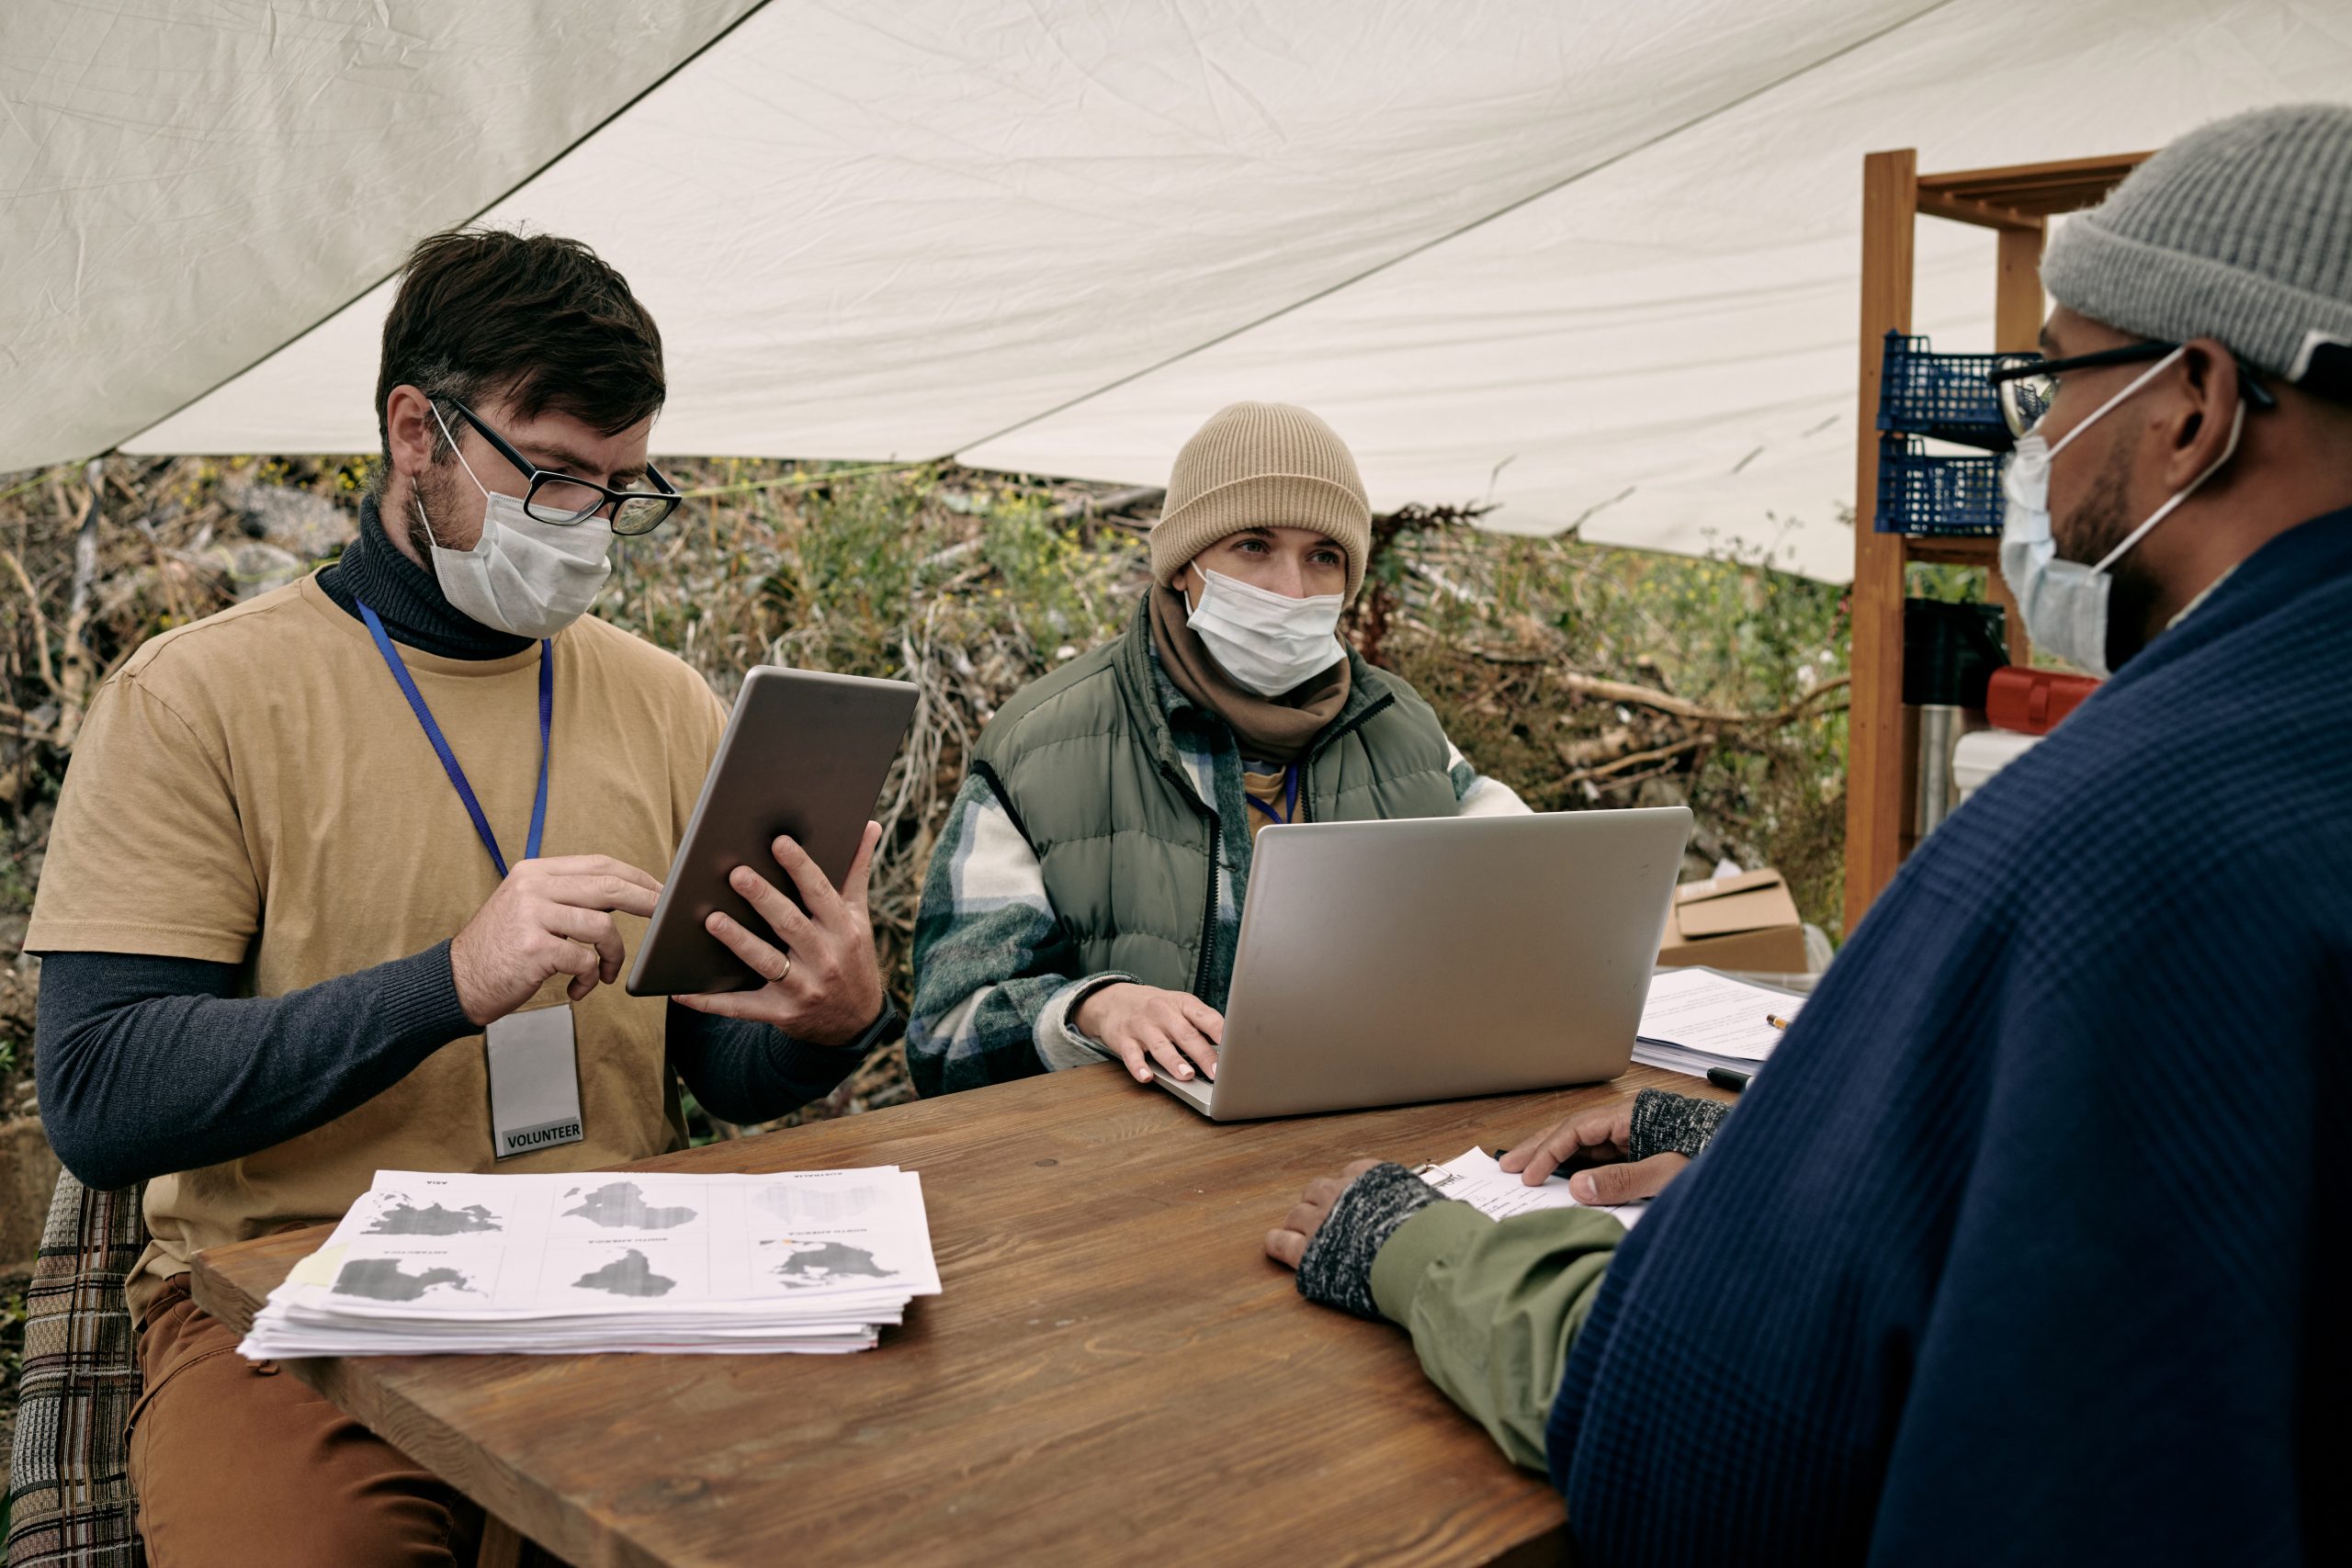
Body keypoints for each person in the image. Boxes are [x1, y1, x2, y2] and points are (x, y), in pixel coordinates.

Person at [1267, 102, 2352, 1564]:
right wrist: (1775, 1156)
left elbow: (1720, 1421)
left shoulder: (2111, 836)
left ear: (2194, 402)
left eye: (2057, 376)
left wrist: (1434, 1249)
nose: (2033, 439)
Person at [28, 228, 899, 1568]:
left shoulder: (664, 699)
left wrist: (821, 1015)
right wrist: (450, 981)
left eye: (620, 489)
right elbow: (101, 1095)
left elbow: (717, 1062)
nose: (587, 525)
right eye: (550, 475)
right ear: (414, 431)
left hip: (624, 1273)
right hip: (293, 1303)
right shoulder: (194, 695)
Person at [908, 401, 1528, 1095]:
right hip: (1148, 1177)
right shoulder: (1041, 745)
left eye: (1323, 556)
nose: (1291, 591)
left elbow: (1542, 912)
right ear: (1182, 564)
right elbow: (945, 1037)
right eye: (1253, 546)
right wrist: (1092, 1010)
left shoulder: (1403, 729)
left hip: (1380, 1138)